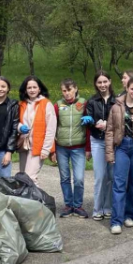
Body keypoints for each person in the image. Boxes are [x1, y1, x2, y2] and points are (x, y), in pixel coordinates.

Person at [105, 76, 133, 235]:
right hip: (122, 146)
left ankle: (129, 215)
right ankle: (116, 221)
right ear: (127, 88)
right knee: (119, 183)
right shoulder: (117, 105)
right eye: (132, 89)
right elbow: (109, 130)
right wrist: (110, 153)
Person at [53, 79, 89, 218]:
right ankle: (68, 205)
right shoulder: (58, 105)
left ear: (76, 89)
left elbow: (88, 127)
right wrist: (52, 149)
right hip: (61, 147)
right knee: (65, 177)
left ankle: (78, 205)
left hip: (78, 147)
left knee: (79, 178)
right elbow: (52, 126)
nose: (67, 93)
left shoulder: (84, 103)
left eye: (69, 90)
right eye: (64, 91)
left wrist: (88, 148)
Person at [86, 71, 116, 221]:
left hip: (113, 142)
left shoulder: (117, 101)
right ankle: (97, 209)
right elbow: (88, 120)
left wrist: (108, 125)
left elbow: (121, 121)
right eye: (99, 82)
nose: (103, 85)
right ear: (96, 84)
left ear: (110, 82)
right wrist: (94, 123)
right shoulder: (92, 101)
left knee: (111, 176)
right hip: (97, 141)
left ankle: (108, 207)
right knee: (99, 176)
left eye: (105, 81)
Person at [17, 76, 57, 185]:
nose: (32, 90)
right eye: (29, 87)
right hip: (24, 145)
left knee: (30, 177)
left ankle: (37, 201)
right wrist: (20, 127)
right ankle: (26, 201)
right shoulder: (21, 104)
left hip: (39, 146)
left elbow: (51, 129)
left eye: (35, 87)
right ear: (25, 90)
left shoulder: (46, 104)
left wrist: (46, 149)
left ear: (39, 89)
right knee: (22, 177)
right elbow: (16, 122)